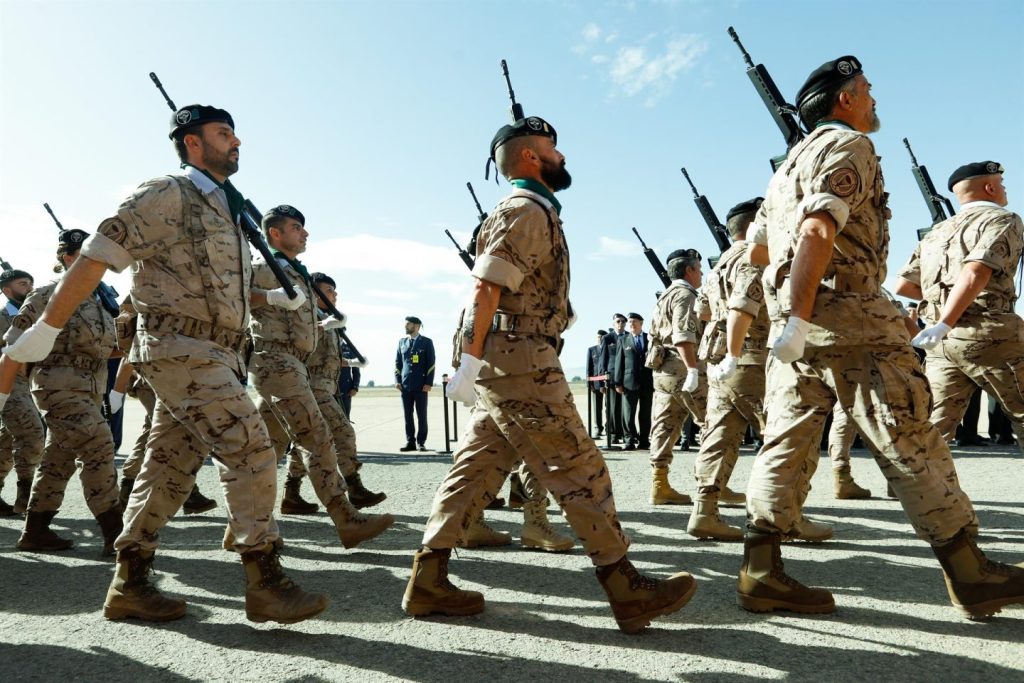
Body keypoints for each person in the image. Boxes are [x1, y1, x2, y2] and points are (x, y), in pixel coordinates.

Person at [1, 103, 328, 624]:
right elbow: (97, 254)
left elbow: (226, 291)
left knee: (167, 468)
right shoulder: (168, 193)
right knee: (250, 443)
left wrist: (274, 303)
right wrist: (47, 327)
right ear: (193, 143)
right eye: (224, 134)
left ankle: (130, 581)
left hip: (218, 351)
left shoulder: (228, 209)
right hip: (180, 349)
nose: (236, 143)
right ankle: (265, 579)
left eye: (236, 134)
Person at [742, 56, 1023, 619]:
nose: (874, 99)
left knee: (786, 444)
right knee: (911, 436)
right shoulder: (849, 147)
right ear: (844, 101)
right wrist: (805, 310)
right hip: (853, 323)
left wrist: (793, 318)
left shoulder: (782, 171)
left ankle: (760, 572)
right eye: (866, 91)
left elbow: (758, 251)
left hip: (801, 333)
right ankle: (970, 573)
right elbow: (820, 228)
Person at [402, 114, 695, 633]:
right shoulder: (526, 209)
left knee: (478, 469)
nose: (563, 157)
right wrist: (469, 359)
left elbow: (506, 287)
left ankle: (428, 577)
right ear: (531, 158)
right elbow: (485, 287)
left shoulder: (531, 210)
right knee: (580, 465)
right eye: (553, 149)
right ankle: (623, 584)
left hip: (511, 355)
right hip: (520, 360)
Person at [249, 205, 394, 543]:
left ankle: (243, 527)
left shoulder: (293, 271)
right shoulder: (262, 266)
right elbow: (234, 296)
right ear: (275, 233)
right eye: (297, 227)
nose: (305, 233)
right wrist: (270, 297)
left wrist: (326, 323)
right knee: (317, 438)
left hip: (291, 364)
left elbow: (304, 315)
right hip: (277, 361)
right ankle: (346, 518)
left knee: (267, 449)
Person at [4, 229, 122, 556]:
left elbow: (106, 348)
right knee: (99, 446)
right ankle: (116, 534)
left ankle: (36, 530)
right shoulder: (47, 295)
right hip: (57, 385)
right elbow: (14, 342)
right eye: (86, 256)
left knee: (59, 458)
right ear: (69, 258)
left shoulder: (100, 302)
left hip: (91, 388)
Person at [896, 161, 1024, 456]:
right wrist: (948, 320)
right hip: (989, 333)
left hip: (942, 344)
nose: (1004, 189)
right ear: (990, 187)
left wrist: (941, 321)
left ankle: (915, 485)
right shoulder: (1002, 219)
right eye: (1001, 184)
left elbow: (904, 285)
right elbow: (977, 270)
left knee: (933, 424)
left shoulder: (936, 232)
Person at [688, 198, 766, 540]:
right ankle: (784, 515)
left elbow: (703, 312)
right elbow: (743, 306)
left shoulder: (719, 264)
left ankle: (705, 510)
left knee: (719, 435)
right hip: (749, 355)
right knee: (783, 435)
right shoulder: (755, 257)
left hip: (719, 359)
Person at [304, 272, 384, 508]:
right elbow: (299, 344)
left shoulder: (330, 319)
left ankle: (291, 493)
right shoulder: (305, 315)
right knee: (344, 432)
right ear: (314, 292)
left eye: (335, 290)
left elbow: (329, 357)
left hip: (328, 386)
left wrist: (352, 364)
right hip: (312, 386)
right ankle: (354, 486)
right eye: (329, 290)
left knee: (303, 439)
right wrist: (321, 327)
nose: (335, 295)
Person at [646, 249, 706, 506]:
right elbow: (683, 335)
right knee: (714, 425)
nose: (702, 273)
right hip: (684, 369)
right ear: (689, 270)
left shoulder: (665, 296)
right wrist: (693, 369)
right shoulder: (685, 295)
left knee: (664, 426)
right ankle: (714, 485)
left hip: (664, 371)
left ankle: (659, 485)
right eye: (699, 269)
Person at [0, 268, 43, 515]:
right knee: (32, 434)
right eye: (23, 284)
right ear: (7, 290)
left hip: (33, 383)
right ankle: (25, 498)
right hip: (9, 382)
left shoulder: (39, 315)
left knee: (7, 439)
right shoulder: (2, 318)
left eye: (31, 283)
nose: (29, 288)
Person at [394, 316, 435, 451]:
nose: (406, 326)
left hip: (421, 385)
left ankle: (421, 442)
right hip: (405, 386)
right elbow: (398, 364)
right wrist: (397, 381)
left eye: (408, 324)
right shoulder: (402, 342)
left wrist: (429, 382)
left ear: (417, 326)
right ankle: (410, 442)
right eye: (405, 324)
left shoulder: (426, 342)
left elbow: (431, 364)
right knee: (407, 414)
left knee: (421, 414)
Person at [614, 313, 653, 449]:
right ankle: (629, 440)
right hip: (629, 382)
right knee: (628, 414)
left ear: (641, 323)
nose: (631, 324)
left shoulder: (650, 338)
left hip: (647, 382)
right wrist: (618, 382)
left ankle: (644, 441)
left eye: (634, 321)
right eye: (630, 322)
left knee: (645, 414)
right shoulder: (623, 340)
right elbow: (619, 362)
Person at [600, 314, 628, 444]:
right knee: (612, 407)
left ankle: (624, 433)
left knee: (626, 408)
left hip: (627, 377)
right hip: (611, 378)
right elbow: (603, 360)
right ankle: (613, 434)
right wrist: (601, 382)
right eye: (618, 321)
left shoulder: (629, 336)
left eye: (623, 321)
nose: (620, 323)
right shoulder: (607, 338)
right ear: (613, 324)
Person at [586, 330, 606, 437]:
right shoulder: (592, 350)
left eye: (602, 337)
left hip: (607, 383)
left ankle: (610, 428)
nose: (600, 338)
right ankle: (598, 428)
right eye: (598, 337)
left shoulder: (608, 349)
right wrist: (589, 384)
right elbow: (588, 368)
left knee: (609, 408)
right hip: (595, 383)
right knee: (597, 408)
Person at [337, 338, 361, 419]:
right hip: (329, 389)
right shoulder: (326, 347)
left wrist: (355, 387)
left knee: (345, 418)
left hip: (345, 390)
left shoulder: (349, 349)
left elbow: (356, 371)